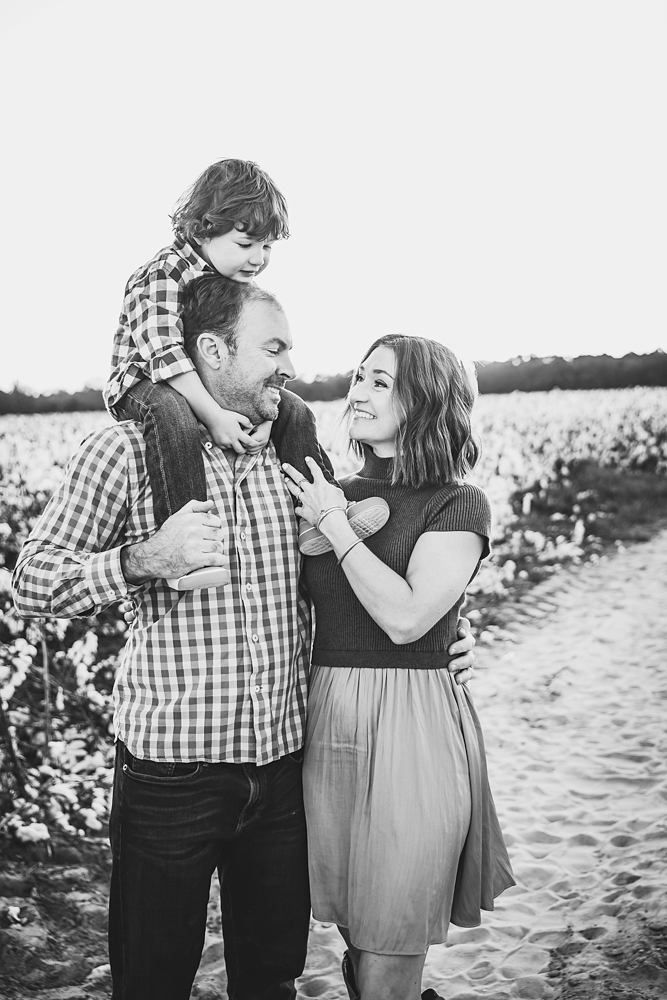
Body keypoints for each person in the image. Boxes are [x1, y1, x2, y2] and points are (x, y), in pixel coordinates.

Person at [12, 276, 477, 1000]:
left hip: (288, 769)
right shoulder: (125, 453)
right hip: (173, 775)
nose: (289, 365)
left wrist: (445, 635)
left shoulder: (297, 462)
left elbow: (379, 575)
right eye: (273, 347)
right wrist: (142, 559)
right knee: (153, 979)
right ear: (211, 350)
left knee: (271, 978)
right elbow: (32, 580)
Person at [282, 334, 515, 1000]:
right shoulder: (329, 491)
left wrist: (335, 526)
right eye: (357, 376)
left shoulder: (455, 503)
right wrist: (330, 510)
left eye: (380, 381)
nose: (357, 390)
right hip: (328, 716)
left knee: (392, 930)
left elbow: (408, 619)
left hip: (415, 723)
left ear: (425, 401)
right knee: (360, 924)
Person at [105, 157, 388, 585]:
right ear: (202, 229)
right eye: (246, 244)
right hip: (145, 384)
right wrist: (215, 415)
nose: (258, 258)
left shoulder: (229, 277)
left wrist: (262, 414)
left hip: (196, 384)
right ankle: (190, 546)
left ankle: (324, 511)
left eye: (268, 246)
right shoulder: (164, 272)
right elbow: (165, 356)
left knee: (294, 411)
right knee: (176, 420)